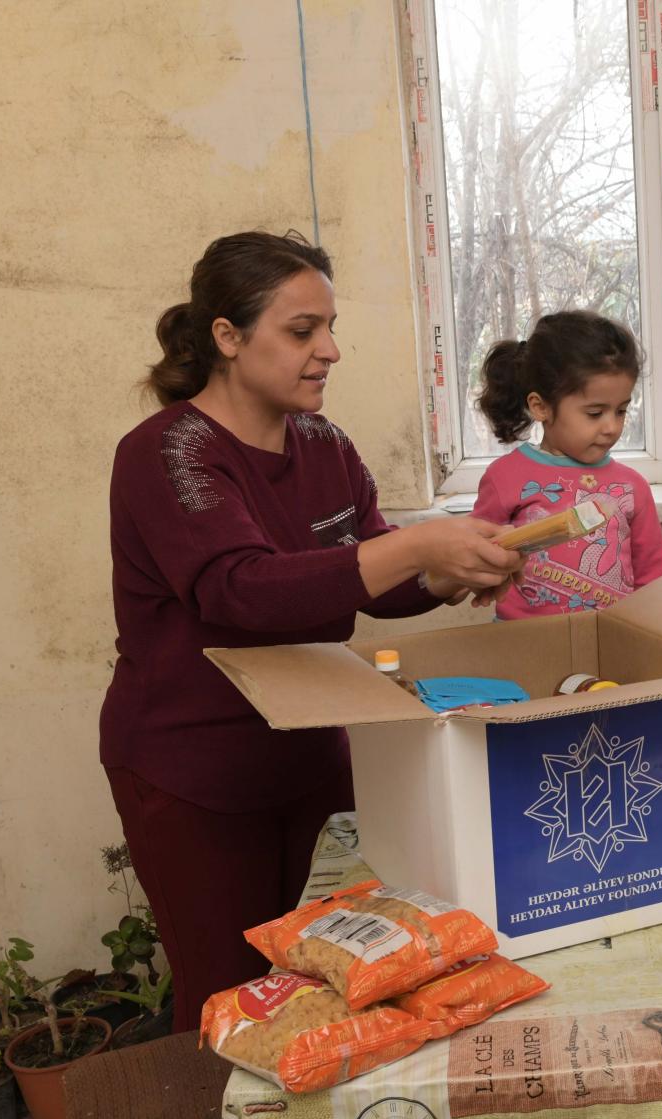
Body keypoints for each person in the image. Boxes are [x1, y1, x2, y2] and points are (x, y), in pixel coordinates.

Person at [100, 230, 522, 1030]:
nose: (329, 350)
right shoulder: (166, 453)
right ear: (226, 336)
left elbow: (373, 581)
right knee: (231, 1001)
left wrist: (449, 570)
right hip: (195, 775)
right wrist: (416, 543)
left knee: (332, 980)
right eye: (302, 331)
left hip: (312, 756)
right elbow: (242, 592)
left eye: (330, 327)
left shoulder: (324, 446)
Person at [467, 311, 662, 616]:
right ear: (541, 406)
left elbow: (654, 580)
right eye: (594, 413)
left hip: (613, 648)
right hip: (524, 649)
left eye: (621, 411)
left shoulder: (632, 488)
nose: (611, 427)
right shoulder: (505, 478)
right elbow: (473, 558)